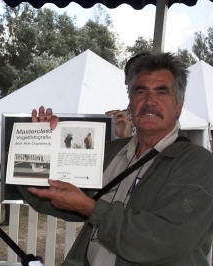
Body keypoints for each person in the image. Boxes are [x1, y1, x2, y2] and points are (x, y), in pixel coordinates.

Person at [19, 53, 213, 265]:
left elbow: (166, 239)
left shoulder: (198, 163)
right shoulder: (110, 153)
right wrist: (40, 143)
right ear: (130, 103)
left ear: (179, 106)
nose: (149, 101)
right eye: (140, 91)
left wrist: (91, 209)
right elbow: (51, 194)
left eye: (161, 92)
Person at [105, 52, 150, 139]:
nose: (140, 79)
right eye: (133, 75)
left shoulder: (163, 119)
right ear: (126, 80)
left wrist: (127, 138)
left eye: (146, 74)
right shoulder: (116, 121)